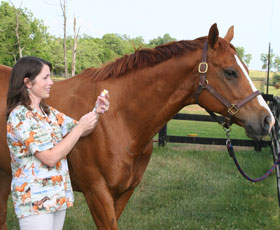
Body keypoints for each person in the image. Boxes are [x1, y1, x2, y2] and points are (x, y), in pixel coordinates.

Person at [6, 56, 110, 230]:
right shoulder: (20, 116)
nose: (51, 82)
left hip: (57, 196)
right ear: (28, 83)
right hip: (34, 202)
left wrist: (96, 112)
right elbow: (49, 157)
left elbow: (82, 129)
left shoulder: (48, 112)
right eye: (45, 77)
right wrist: (79, 129)